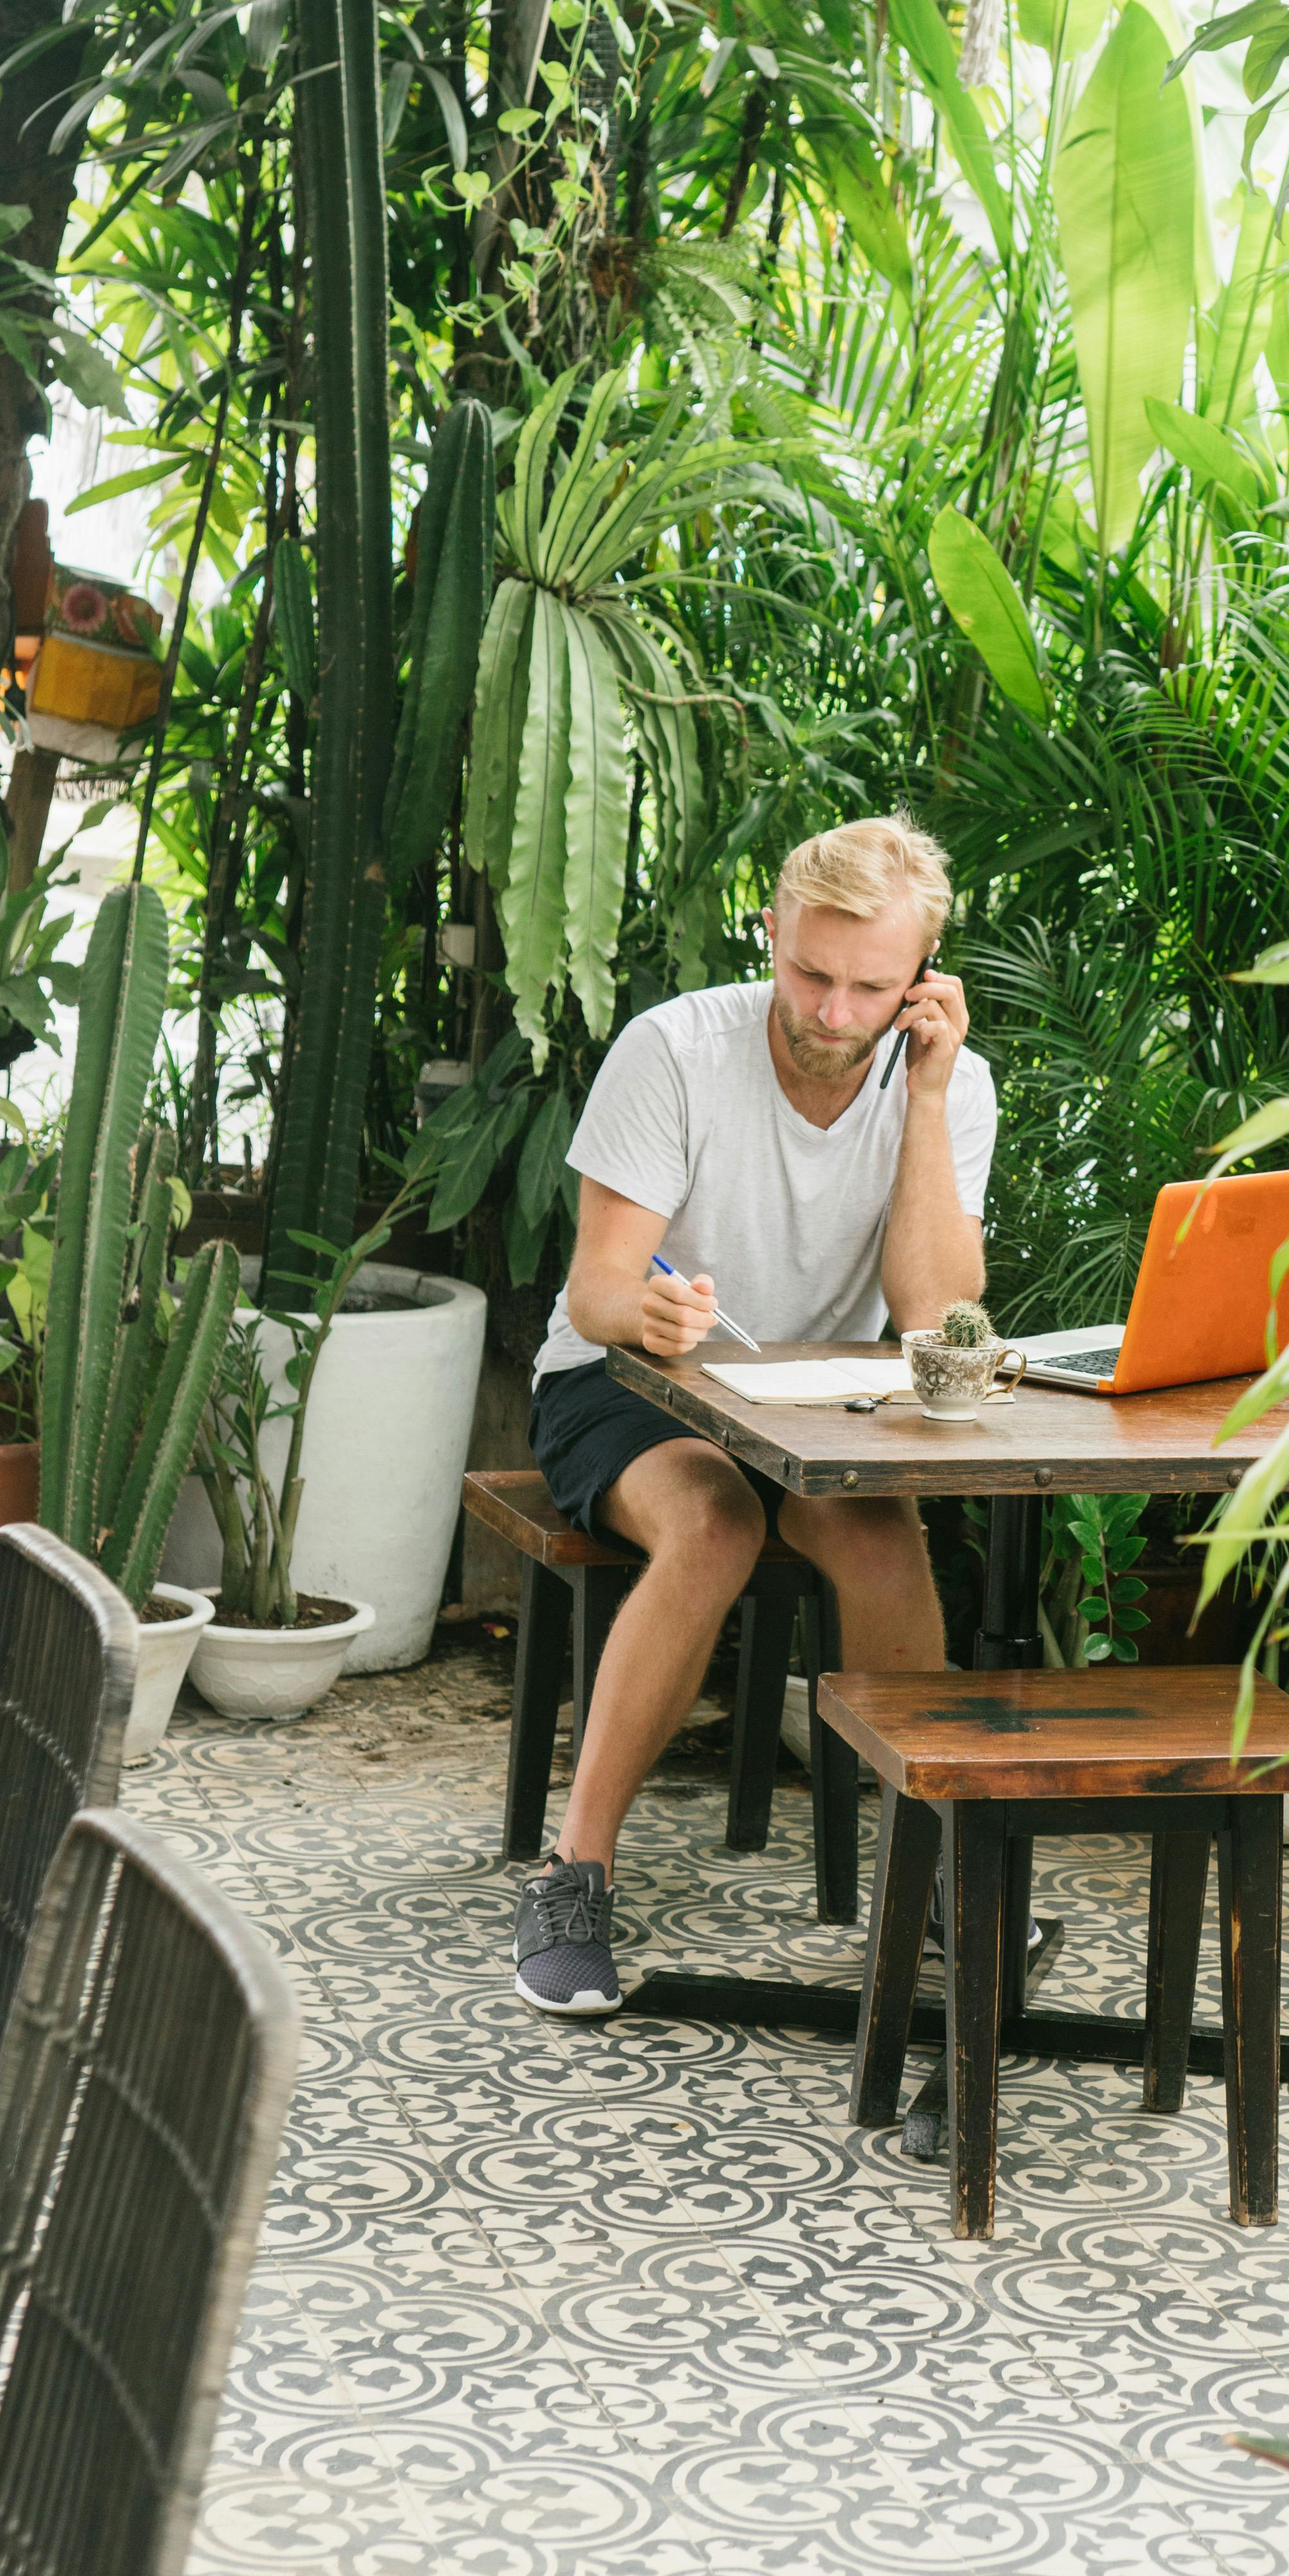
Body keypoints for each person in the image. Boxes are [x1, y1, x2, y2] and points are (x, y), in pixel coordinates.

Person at [511, 816, 996, 2017]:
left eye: (871, 988)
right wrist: (653, 1315)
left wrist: (924, 1099)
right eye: (811, 974)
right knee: (716, 1522)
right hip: (626, 1384)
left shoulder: (951, 1082)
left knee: (884, 1536)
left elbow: (935, 1312)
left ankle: (929, 1873)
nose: (833, 1014)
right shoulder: (674, 1048)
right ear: (771, 931)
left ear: (923, 979)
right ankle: (575, 1871)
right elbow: (596, 1290)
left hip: (815, 1402)